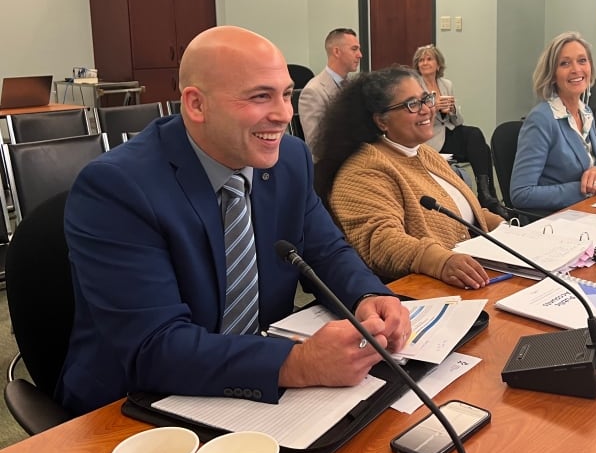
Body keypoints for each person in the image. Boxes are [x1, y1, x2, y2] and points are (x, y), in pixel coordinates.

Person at [55, 26, 411, 416]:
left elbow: (327, 252)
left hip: (256, 385)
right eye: (260, 97)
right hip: (133, 405)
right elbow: (153, 347)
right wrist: (297, 363)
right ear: (196, 105)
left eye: (286, 94)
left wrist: (368, 296)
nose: (283, 115)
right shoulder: (117, 188)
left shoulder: (289, 160)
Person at [315, 66, 505, 289]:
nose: (426, 109)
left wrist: (507, 230)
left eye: (426, 99)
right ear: (381, 121)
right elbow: (380, 241)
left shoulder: (424, 152)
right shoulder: (363, 170)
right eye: (412, 104)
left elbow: (464, 211)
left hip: (474, 272)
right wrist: (440, 262)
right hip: (427, 287)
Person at [509, 32, 596, 213]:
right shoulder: (541, 119)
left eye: (582, 61)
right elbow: (521, 193)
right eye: (565, 63)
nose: (576, 69)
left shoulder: (586, 112)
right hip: (558, 220)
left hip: (589, 211)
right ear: (553, 74)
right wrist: (585, 189)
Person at [412, 44, 509, 219]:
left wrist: (452, 110)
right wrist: (434, 108)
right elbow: (417, 118)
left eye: (429, 59)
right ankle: (488, 197)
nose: (424, 63)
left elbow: (458, 122)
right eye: (421, 60)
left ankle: (485, 194)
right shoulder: (415, 87)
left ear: (438, 64)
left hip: (447, 131)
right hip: (429, 137)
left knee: (477, 137)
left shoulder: (446, 84)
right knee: (481, 148)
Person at [299, 28, 362, 161]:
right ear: (337, 52)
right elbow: (316, 145)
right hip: (333, 166)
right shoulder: (314, 91)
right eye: (354, 49)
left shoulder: (352, 86)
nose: (360, 55)